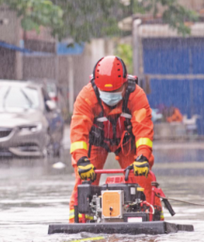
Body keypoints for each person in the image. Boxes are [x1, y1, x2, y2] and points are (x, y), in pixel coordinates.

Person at [69, 56, 161, 222]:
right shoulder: (86, 97)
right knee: (84, 183)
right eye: (106, 93)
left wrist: (142, 157)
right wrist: (81, 159)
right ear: (96, 86)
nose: (110, 96)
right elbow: (78, 132)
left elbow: (143, 131)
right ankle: (80, 221)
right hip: (96, 144)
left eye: (115, 92)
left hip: (126, 144)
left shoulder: (136, 96)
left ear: (125, 84)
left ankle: (152, 217)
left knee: (143, 179)